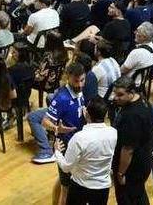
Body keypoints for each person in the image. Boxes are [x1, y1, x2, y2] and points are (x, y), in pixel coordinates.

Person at [28, 62, 86, 205]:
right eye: (76, 81)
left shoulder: (79, 92)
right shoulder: (62, 98)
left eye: (82, 80)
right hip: (66, 146)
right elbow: (45, 121)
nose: (80, 84)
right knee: (66, 189)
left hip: (78, 144)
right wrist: (56, 129)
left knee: (63, 181)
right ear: (68, 77)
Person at [54, 97, 117, 205]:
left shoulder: (79, 138)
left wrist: (57, 151)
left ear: (86, 114)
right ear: (106, 114)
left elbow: (65, 167)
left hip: (80, 188)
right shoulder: (113, 133)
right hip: (102, 189)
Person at [110, 77, 153, 205]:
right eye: (115, 93)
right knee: (138, 196)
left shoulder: (132, 116)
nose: (115, 97)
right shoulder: (143, 101)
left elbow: (127, 150)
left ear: (131, 93)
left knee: (127, 198)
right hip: (144, 159)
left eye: (120, 95)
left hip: (132, 168)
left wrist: (121, 172)